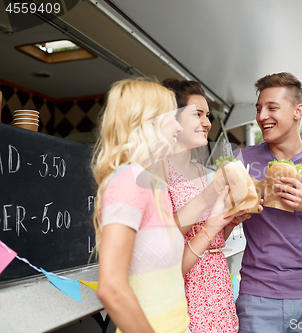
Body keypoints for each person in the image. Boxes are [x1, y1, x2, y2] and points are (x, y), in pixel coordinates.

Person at [92, 78, 235, 333]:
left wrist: (217, 224)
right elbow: (111, 288)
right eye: (171, 117)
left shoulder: (153, 183)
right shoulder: (129, 180)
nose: (178, 127)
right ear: (147, 123)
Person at [234, 72, 302, 333]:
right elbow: (219, 217)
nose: (262, 117)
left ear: (298, 111)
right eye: (259, 109)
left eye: (272, 108)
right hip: (256, 296)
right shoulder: (241, 160)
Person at [162, 78, 246, 333]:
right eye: (197, 114)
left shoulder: (202, 171)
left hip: (218, 291)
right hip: (187, 295)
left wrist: (230, 222)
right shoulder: (158, 172)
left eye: (207, 115)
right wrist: (207, 198)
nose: (207, 123)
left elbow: (213, 238)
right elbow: (164, 239)